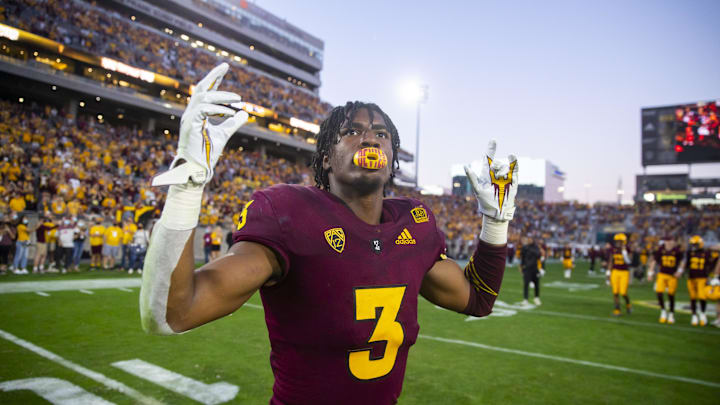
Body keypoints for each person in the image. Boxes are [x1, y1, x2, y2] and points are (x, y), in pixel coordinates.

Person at [140, 64, 517, 405]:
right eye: (352, 131)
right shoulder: (290, 214)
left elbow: (478, 299)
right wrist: (187, 187)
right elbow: (171, 314)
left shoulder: (412, 223)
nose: (369, 140)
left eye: (381, 134)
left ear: (392, 159)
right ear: (325, 157)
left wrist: (495, 224)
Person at [647, 236, 685, 324]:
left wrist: (679, 271)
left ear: (673, 241)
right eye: (667, 241)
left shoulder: (677, 251)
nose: (668, 242)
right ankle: (663, 311)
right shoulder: (661, 250)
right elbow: (654, 261)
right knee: (659, 292)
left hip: (672, 275)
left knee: (671, 294)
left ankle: (671, 313)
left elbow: (682, 261)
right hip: (662, 274)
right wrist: (650, 273)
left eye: (670, 240)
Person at [684, 235, 717, 326]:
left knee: (702, 296)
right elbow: (687, 265)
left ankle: (702, 314)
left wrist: (710, 274)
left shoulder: (706, 253)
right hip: (691, 278)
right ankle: (694, 315)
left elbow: (712, 263)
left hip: (702, 277)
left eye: (695, 244)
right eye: (693, 245)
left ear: (700, 244)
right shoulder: (690, 253)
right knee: (693, 297)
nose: (693, 246)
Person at [607, 233, 632, 316]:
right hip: (615, 271)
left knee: (623, 292)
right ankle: (617, 310)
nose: (617, 243)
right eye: (616, 241)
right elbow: (611, 261)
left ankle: (628, 304)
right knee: (615, 292)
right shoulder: (613, 249)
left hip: (624, 272)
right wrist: (608, 273)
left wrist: (624, 252)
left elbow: (629, 261)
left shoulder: (627, 249)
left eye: (619, 241)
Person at [520, 235, 544, 305]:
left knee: (536, 284)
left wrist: (530, 250)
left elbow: (538, 256)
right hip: (527, 269)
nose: (529, 240)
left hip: (534, 269)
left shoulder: (536, 247)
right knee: (526, 284)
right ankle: (525, 299)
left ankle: (536, 298)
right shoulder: (524, 247)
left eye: (530, 239)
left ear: (533, 240)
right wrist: (522, 267)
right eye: (528, 239)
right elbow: (522, 258)